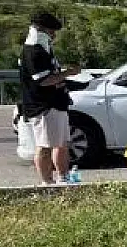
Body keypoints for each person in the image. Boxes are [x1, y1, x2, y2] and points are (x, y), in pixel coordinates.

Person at [17, 11, 85, 185]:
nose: (54, 35)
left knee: (61, 144)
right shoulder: (33, 51)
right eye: (52, 31)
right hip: (43, 106)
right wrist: (69, 73)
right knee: (45, 146)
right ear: (41, 29)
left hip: (57, 103)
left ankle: (63, 177)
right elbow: (45, 80)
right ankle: (46, 182)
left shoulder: (44, 49)